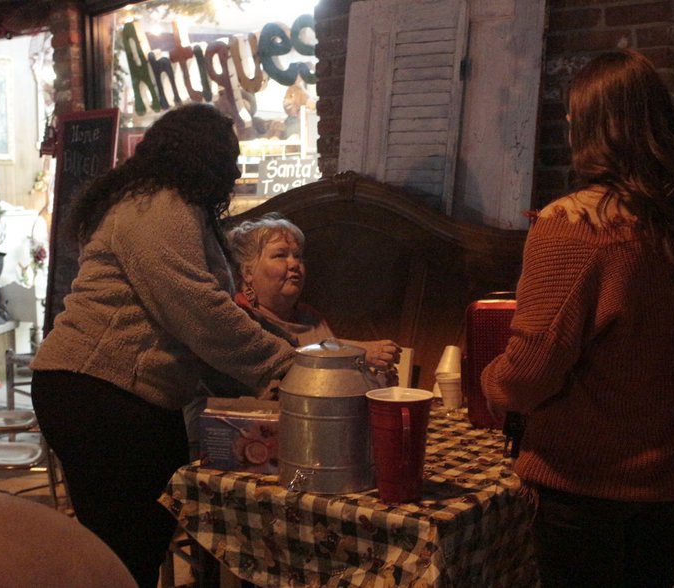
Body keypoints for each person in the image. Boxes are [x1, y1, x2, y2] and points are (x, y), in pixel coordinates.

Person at [481, 49, 674, 588]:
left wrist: (490, 383)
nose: (570, 129)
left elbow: (529, 375)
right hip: (668, 480)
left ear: (601, 128)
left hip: (584, 485)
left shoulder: (575, 226)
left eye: (576, 119)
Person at [30, 104, 295, 588]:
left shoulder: (170, 206)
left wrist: (269, 380)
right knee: (125, 547)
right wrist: (284, 366)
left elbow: (202, 326)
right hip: (98, 391)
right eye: (228, 157)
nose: (234, 170)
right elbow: (197, 309)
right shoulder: (159, 207)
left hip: (107, 393)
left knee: (134, 541)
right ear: (200, 156)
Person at [227, 213, 401, 368]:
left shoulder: (311, 317)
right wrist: (356, 353)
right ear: (247, 271)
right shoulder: (238, 316)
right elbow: (280, 363)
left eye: (298, 256)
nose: (295, 264)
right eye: (280, 255)